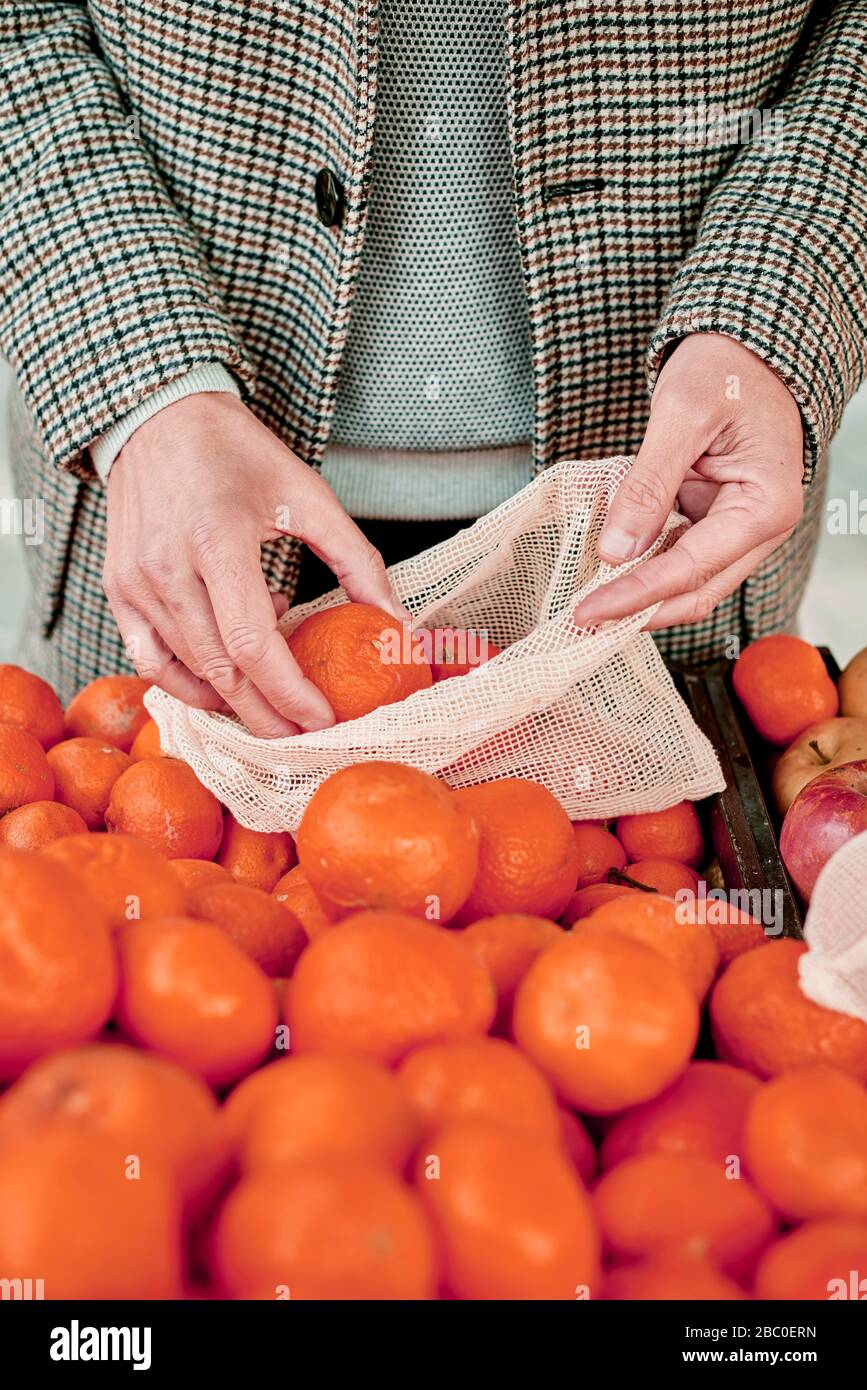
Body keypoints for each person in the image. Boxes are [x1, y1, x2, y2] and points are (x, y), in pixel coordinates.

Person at [2, 1, 864, 736]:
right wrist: (143, 385)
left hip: (664, 492)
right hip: (182, 490)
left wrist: (776, 305)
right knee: (146, 877)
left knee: (652, 886)